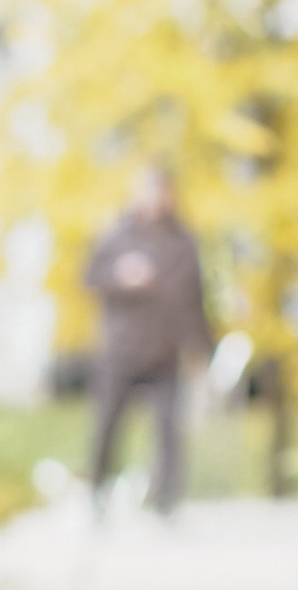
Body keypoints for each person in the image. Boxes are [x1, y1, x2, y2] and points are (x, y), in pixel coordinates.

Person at [85, 168, 212, 515]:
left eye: (163, 191)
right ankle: (96, 493)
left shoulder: (184, 242)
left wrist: (201, 349)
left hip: (166, 353)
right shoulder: (118, 234)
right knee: (107, 429)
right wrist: (121, 276)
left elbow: (196, 300)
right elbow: (91, 277)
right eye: (150, 191)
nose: (157, 199)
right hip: (121, 351)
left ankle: (166, 504)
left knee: (170, 433)